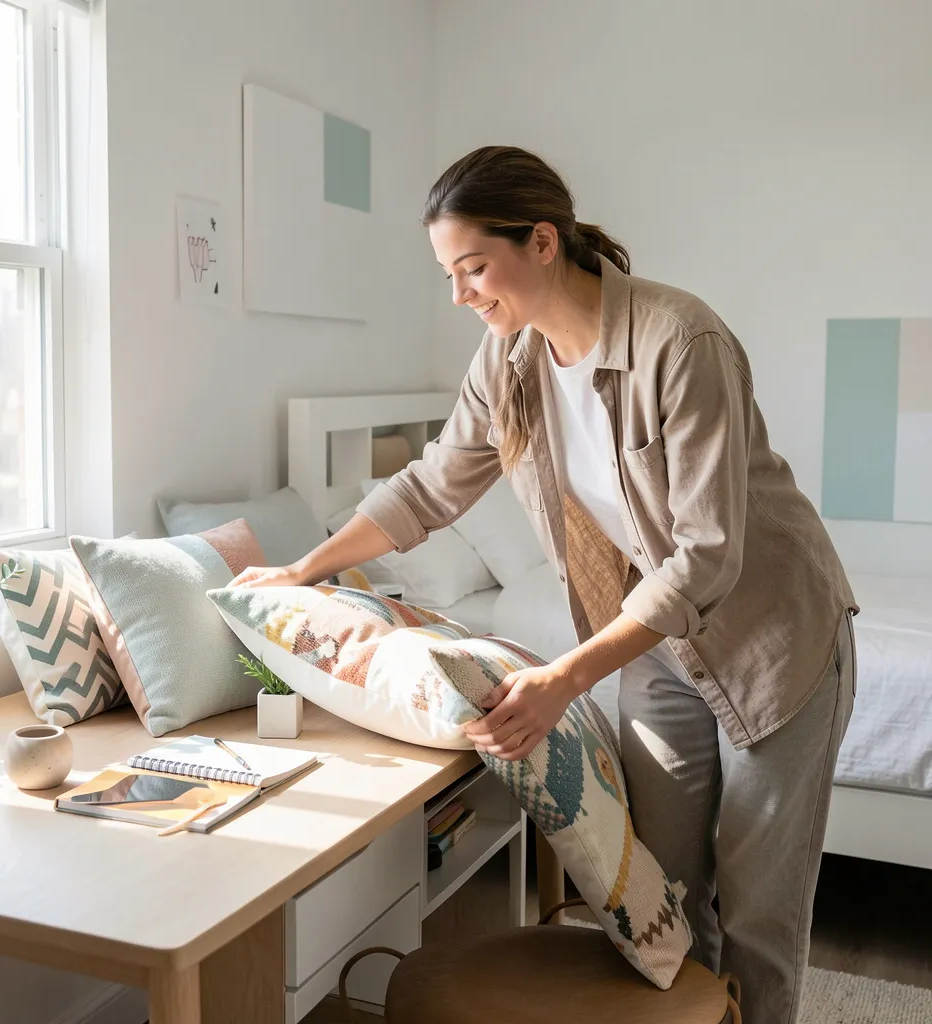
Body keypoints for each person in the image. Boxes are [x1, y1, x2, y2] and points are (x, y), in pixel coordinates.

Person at [234, 145, 858, 1024]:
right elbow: (430, 486)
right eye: (449, 275)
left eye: (473, 268)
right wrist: (306, 567)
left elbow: (705, 555)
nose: (461, 295)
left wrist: (565, 677)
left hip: (771, 641)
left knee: (759, 914)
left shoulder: (682, 341)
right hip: (655, 648)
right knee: (666, 900)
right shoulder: (507, 362)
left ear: (541, 241)